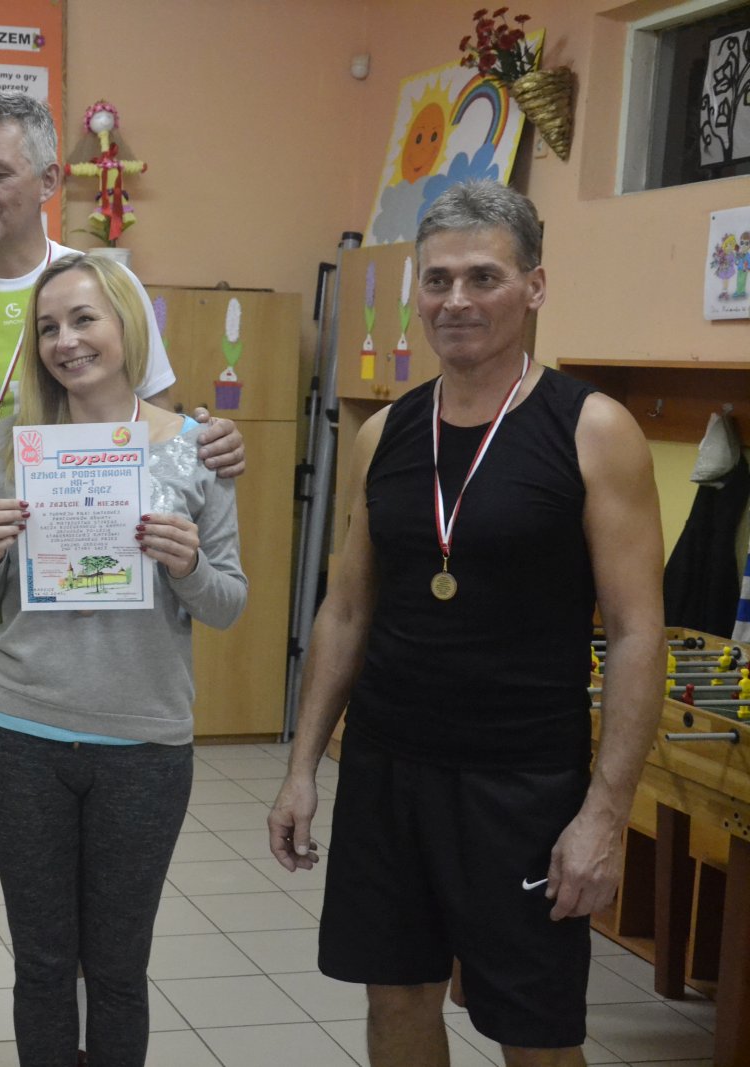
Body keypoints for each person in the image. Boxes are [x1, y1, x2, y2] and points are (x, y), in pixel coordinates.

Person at [0, 90, 246, 1066]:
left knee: (106, 954)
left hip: (107, 678)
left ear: (47, 180)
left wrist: (211, 460)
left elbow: (161, 441)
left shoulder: (101, 295)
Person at [266, 181, 664, 1067]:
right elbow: (347, 608)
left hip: (523, 782)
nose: (456, 300)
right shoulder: (386, 434)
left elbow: (639, 632)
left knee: (534, 1031)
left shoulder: (593, 431)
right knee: (394, 999)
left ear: (535, 286)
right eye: (438, 279)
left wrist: (605, 814)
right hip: (388, 768)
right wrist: (301, 768)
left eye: (484, 276)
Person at [0, 252, 247, 1065]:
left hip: (144, 743)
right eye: (48, 327)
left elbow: (228, 603)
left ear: (127, 325)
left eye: (84, 319)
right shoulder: (12, 443)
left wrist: (188, 565)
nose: (66, 341)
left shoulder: (196, 447)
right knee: (43, 966)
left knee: (117, 971)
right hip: (22, 732)